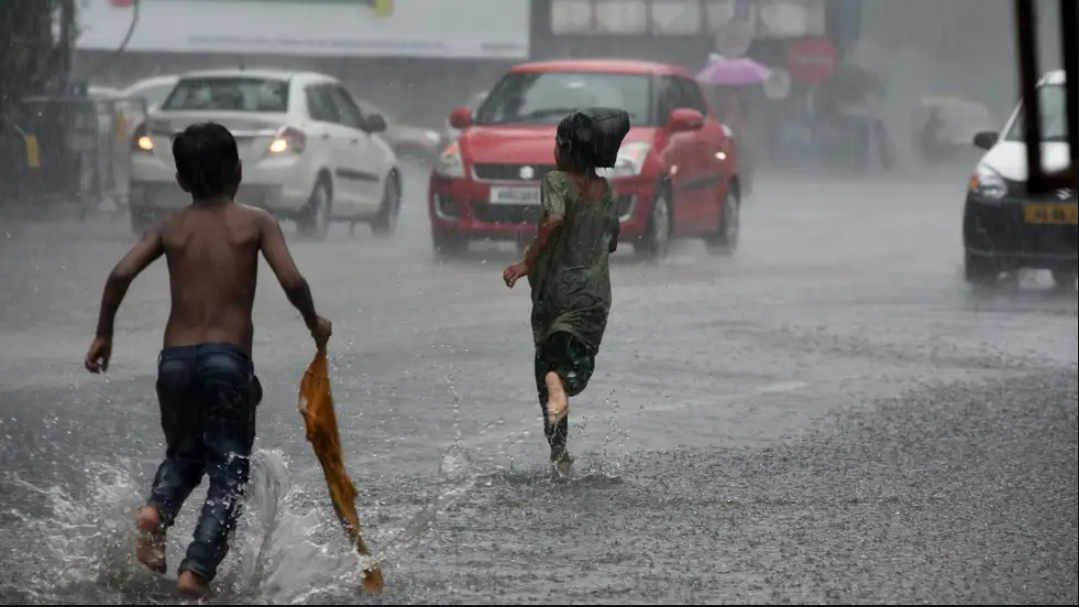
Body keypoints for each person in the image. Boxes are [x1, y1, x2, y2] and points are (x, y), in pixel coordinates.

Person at [83, 122, 332, 597]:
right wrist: (313, 322)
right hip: (227, 362)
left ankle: (157, 511)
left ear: (180, 180)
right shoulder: (257, 222)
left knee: (184, 454)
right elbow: (293, 282)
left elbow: (119, 275)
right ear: (239, 171)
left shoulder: (170, 227)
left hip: (174, 362)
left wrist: (103, 334)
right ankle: (195, 571)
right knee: (229, 470)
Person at [502, 109, 628, 477]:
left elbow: (554, 220)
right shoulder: (607, 192)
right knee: (575, 363)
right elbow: (613, 241)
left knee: (548, 369)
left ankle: (558, 451)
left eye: (556, 144)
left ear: (568, 147)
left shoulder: (556, 182)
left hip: (557, 294)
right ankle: (561, 453)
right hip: (593, 299)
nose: (553, 151)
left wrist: (526, 263)